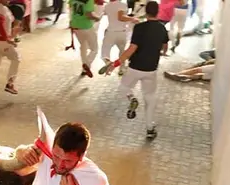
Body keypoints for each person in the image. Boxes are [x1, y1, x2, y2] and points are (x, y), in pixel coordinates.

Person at [101, 0, 168, 139]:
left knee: (124, 88)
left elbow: (131, 49)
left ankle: (132, 98)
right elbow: (164, 47)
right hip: (151, 70)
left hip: (135, 67)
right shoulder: (162, 28)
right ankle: (150, 128)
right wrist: (157, 52)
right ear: (158, 12)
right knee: (150, 99)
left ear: (146, 12)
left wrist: (116, 64)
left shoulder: (140, 27)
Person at [101, 0, 140, 76]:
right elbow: (121, 17)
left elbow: (114, 16)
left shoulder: (107, 5)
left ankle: (108, 62)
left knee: (104, 52)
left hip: (110, 32)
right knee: (122, 52)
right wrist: (132, 19)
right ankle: (121, 69)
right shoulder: (122, 4)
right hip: (122, 32)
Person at [69, 0, 101, 77]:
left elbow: (71, 10)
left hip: (76, 26)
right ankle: (87, 64)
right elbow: (88, 15)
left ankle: (84, 69)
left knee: (83, 46)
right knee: (94, 49)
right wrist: (97, 18)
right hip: (86, 27)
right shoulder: (89, 0)